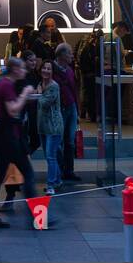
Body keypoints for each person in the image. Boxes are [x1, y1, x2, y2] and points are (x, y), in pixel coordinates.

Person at [0, 56, 38, 228]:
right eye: (22, 68)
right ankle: (38, 218)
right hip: (9, 138)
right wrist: (25, 94)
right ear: (15, 69)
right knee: (28, 173)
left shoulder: (4, 85)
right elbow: (13, 110)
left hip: (3, 138)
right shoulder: (6, 85)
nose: (24, 71)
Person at [52, 43, 81, 181]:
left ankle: (69, 170)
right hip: (60, 109)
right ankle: (60, 170)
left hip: (71, 107)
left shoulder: (69, 70)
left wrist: (77, 108)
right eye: (69, 53)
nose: (72, 55)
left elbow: (74, 89)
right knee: (59, 142)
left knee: (70, 141)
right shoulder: (51, 70)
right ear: (62, 55)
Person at [36, 60, 64, 194]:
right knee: (50, 156)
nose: (46, 71)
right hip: (43, 126)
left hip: (54, 126)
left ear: (53, 72)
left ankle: (51, 185)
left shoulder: (54, 86)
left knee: (50, 156)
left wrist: (39, 94)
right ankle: (58, 180)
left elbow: (45, 102)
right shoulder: (40, 84)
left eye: (49, 69)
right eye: (44, 68)